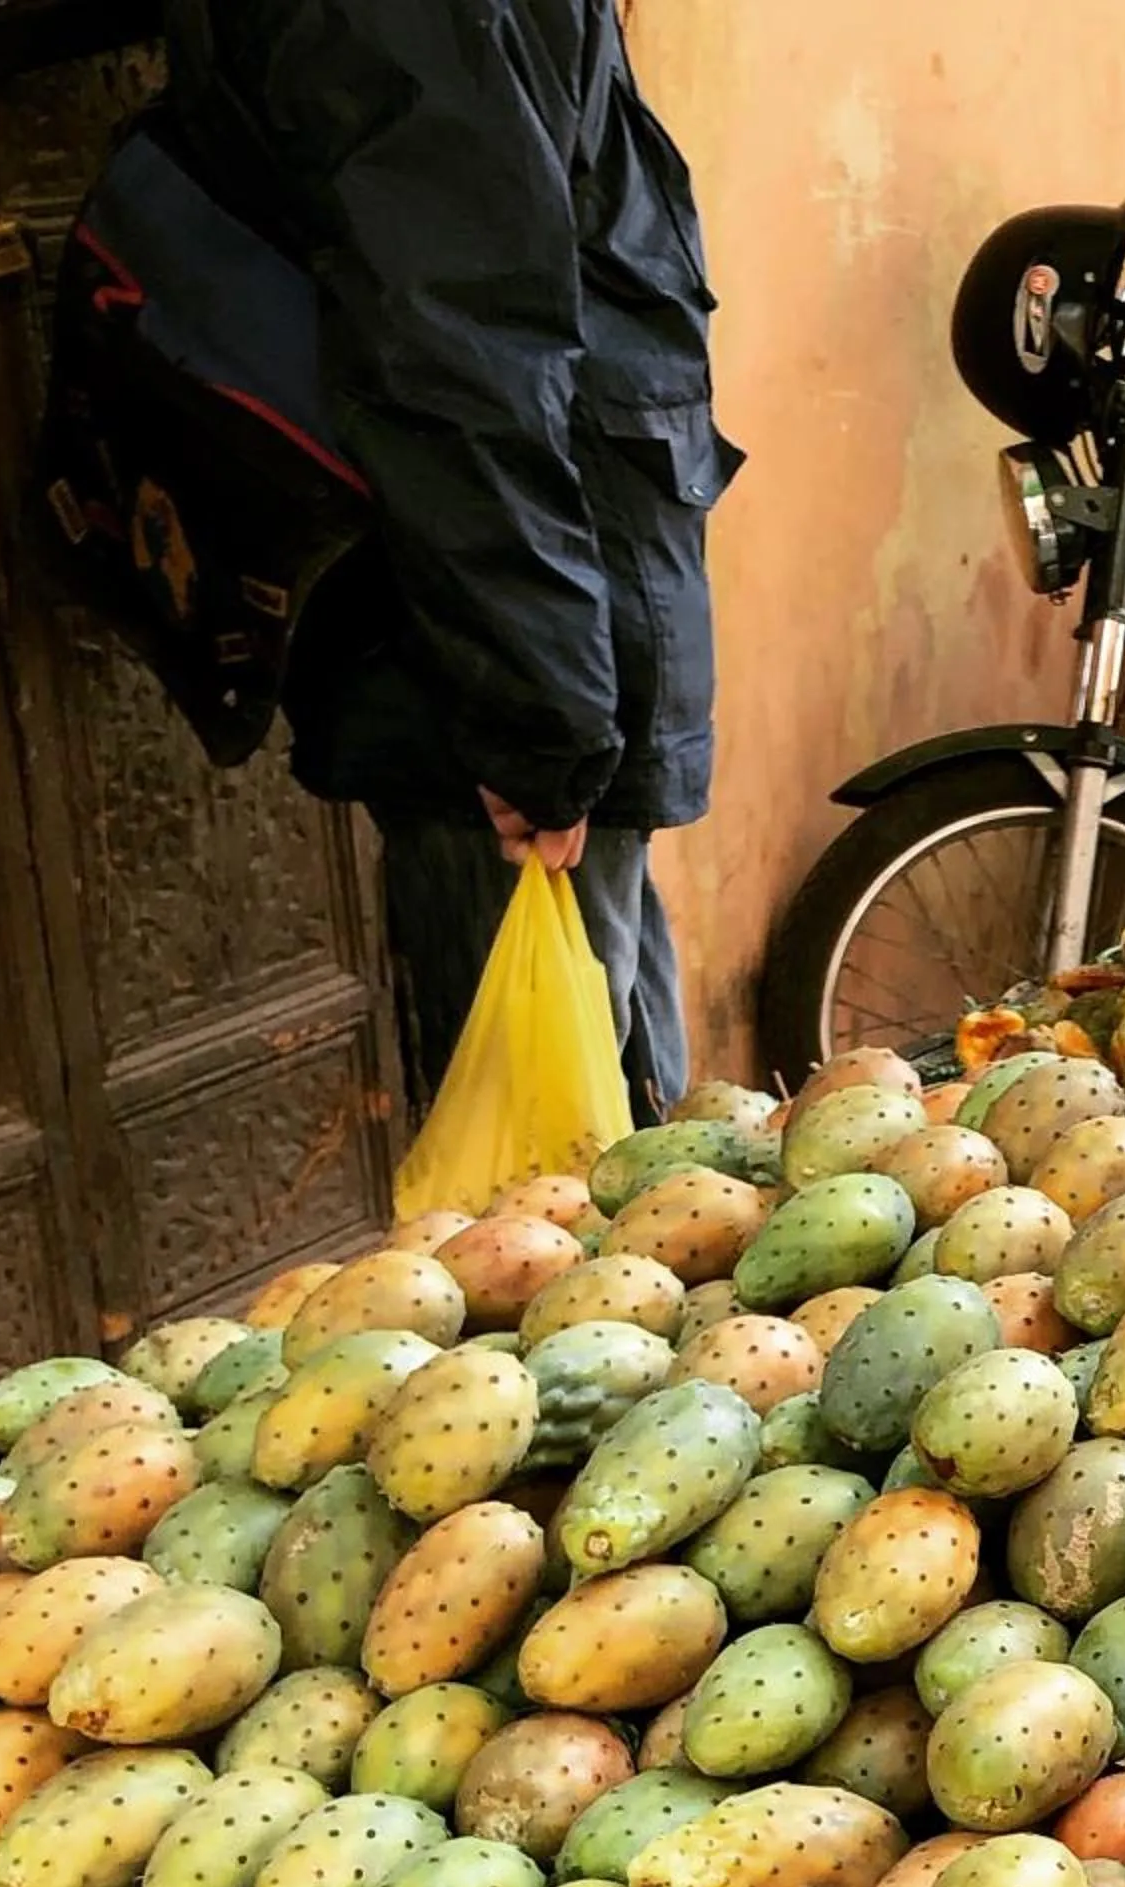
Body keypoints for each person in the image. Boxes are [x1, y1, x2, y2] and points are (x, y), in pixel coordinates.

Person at [160, 0, 739, 1120]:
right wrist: (538, 724)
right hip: (508, 666)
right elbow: (459, 361)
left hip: (563, 623)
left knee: (625, 1135)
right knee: (550, 1167)